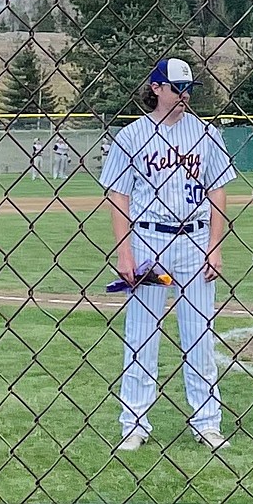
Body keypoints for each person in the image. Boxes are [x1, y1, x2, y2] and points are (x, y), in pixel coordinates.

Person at [99, 58, 237, 453]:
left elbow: (218, 193)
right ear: (157, 88)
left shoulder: (206, 134)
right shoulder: (132, 136)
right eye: (176, 88)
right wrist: (124, 255)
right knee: (141, 336)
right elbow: (118, 197)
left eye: (188, 88)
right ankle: (134, 423)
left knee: (200, 337)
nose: (184, 96)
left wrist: (215, 247)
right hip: (147, 241)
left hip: (194, 242)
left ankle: (207, 423)